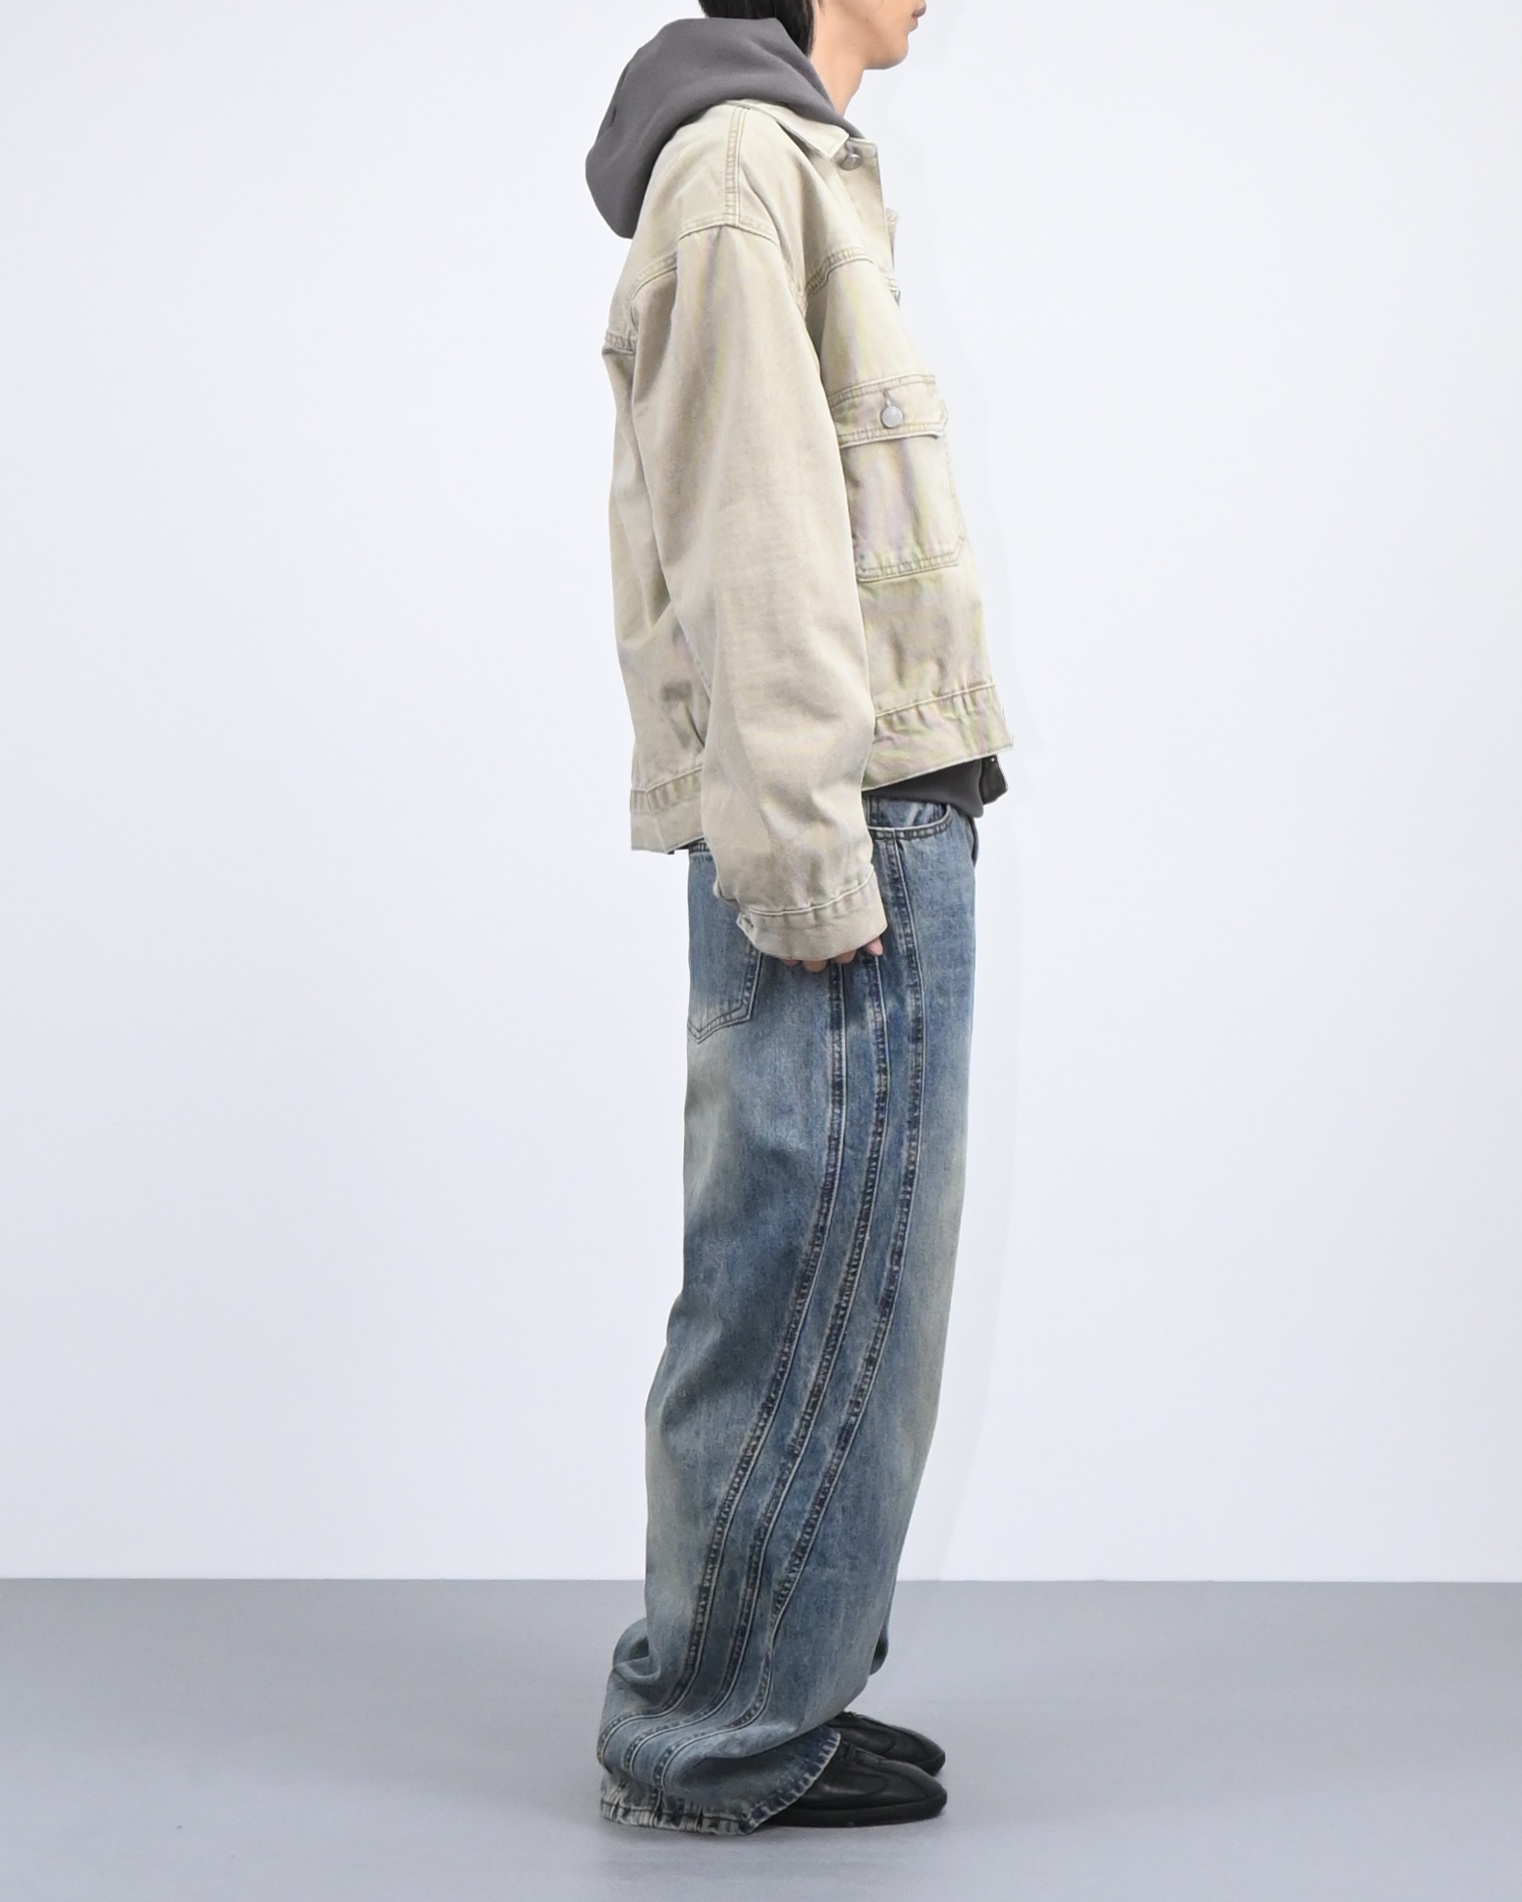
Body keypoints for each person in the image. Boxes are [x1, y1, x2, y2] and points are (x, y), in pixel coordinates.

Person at [584, 0, 1010, 1834]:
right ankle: (716, 1730)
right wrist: (809, 861)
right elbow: (752, 535)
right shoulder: (741, 168)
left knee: (851, 1286)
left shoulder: (789, 162)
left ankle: (773, 1684)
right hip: (839, 820)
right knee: (796, 1280)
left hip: (877, 800)